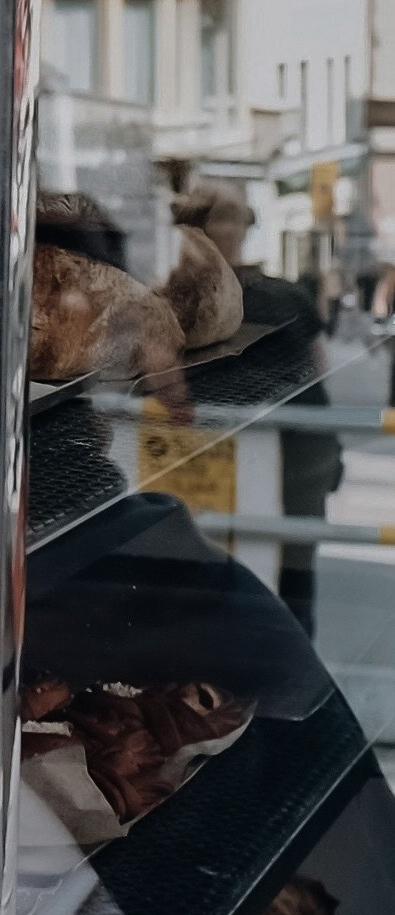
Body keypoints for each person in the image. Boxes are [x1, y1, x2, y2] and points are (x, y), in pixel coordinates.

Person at [174, 176, 339, 631]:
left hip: (231, 461)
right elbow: (319, 372)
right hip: (283, 457)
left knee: (233, 579)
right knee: (288, 575)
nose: (234, 229)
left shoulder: (180, 303)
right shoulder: (284, 296)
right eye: (230, 219)